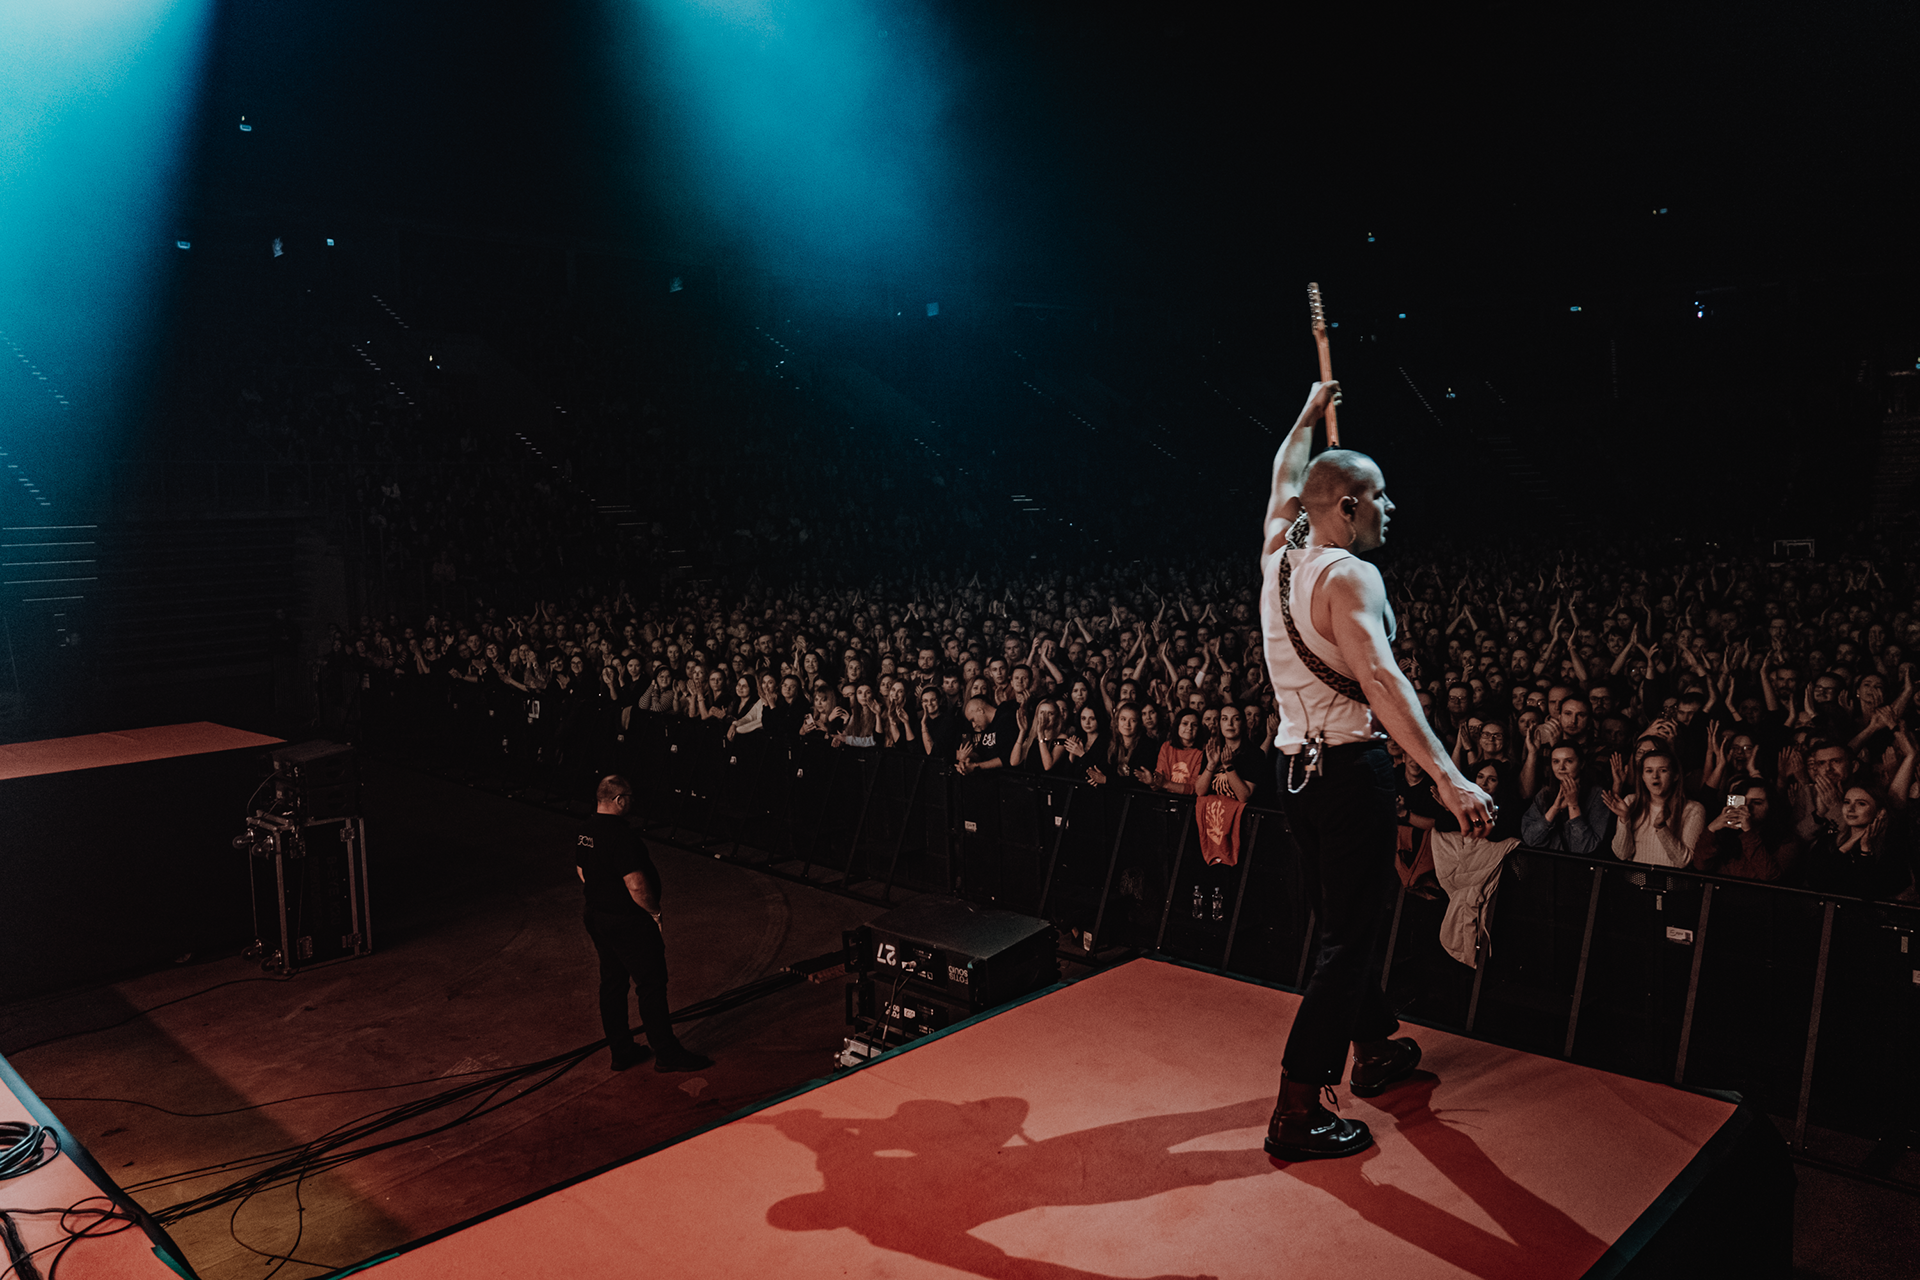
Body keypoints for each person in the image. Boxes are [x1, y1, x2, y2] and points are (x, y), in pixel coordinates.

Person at [1257, 381, 1493, 1161]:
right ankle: (1298, 1108)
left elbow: (1284, 477)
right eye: (1381, 496)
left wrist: (1306, 411)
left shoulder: (1277, 558)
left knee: (1337, 925)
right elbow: (1384, 683)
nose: (1392, 507)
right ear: (1350, 506)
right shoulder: (1350, 576)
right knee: (1349, 942)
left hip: (1293, 773)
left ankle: (1376, 1045)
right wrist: (1448, 777)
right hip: (1348, 774)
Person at [575, 775, 711, 1073]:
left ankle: (621, 1051)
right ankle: (667, 1053)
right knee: (651, 985)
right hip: (627, 922)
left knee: (613, 983)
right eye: (630, 798)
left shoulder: (586, 829)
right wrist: (654, 912)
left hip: (597, 916)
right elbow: (636, 884)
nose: (633, 802)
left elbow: (582, 870)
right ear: (619, 800)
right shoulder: (621, 836)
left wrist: (602, 892)